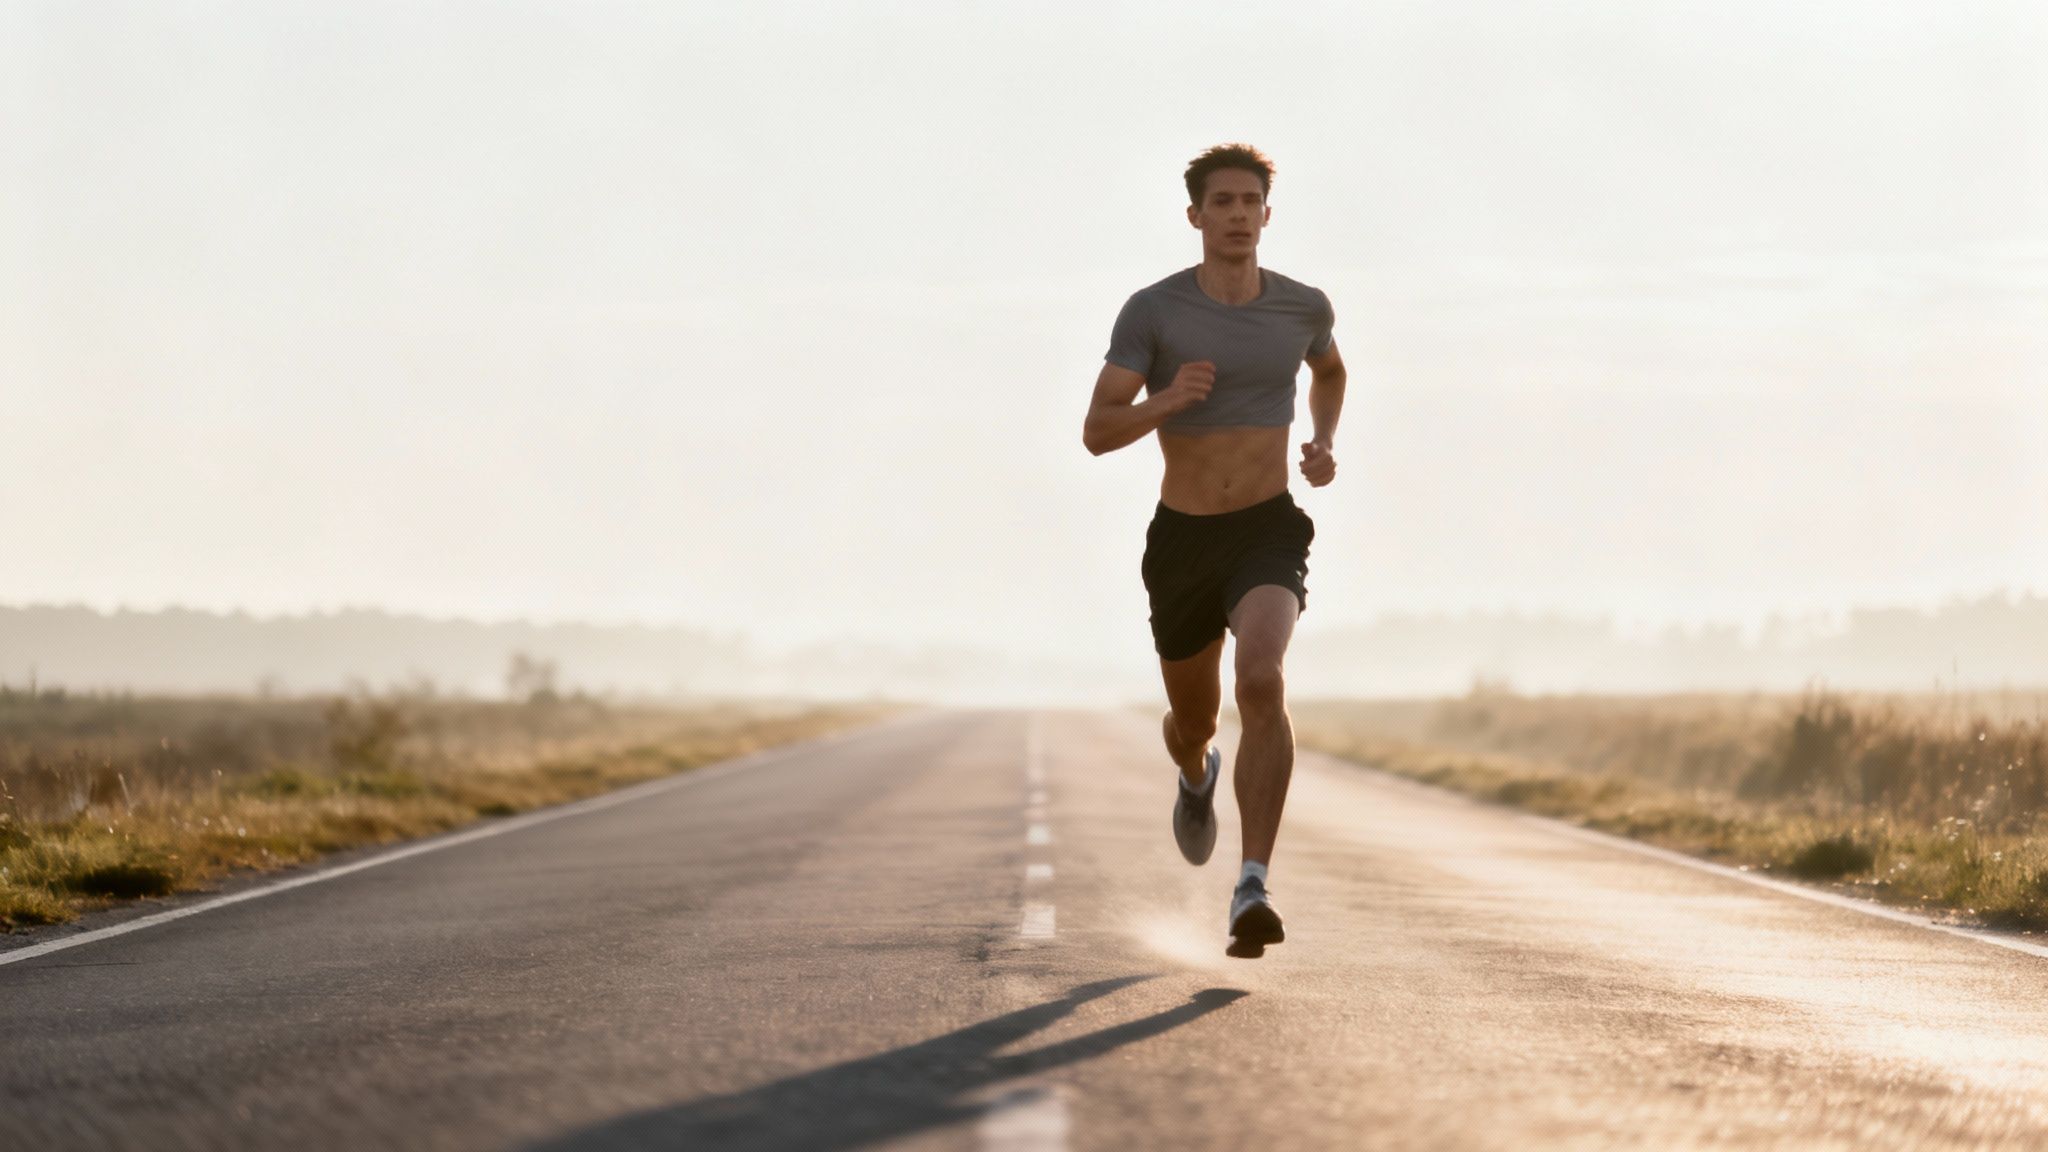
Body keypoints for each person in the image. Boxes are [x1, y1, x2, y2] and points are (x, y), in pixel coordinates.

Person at [1081, 143, 1346, 958]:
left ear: (1268, 213)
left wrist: (1322, 440)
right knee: (1192, 718)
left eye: (1249, 201)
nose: (1236, 214)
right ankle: (1197, 775)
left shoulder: (1303, 307)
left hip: (1267, 526)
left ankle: (1252, 883)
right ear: (1195, 216)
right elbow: (1097, 432)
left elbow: (1330, 371)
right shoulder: (1153, 312)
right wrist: (1166, 399)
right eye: (1220, 202)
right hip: (1183, 539)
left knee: (1261, 678)